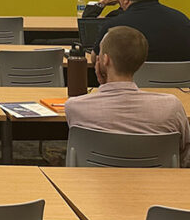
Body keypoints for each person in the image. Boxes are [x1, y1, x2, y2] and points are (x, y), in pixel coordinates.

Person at [68, 25, 189, 167]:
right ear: (141, 62)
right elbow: (186, 155)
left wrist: (103, 84)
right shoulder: (172, 107)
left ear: (105, 60)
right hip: (156, 185)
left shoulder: (76, 107)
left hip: (97, 185)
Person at [95, 0, 190, 61]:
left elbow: (96, 58)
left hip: (133, 78)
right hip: (182, 77)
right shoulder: (183, 20)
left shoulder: (114, 26)